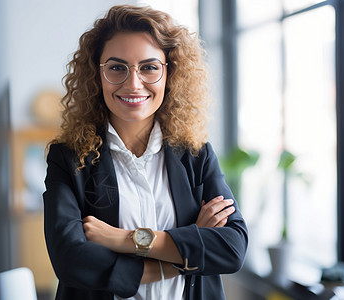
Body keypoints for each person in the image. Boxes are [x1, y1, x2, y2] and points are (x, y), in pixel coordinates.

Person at [43, 4, 248, 300]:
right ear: (96, 75)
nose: (133, 83)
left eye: (149, 67)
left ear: (170, 74)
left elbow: (232, 248)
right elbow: (72, 261)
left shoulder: (196, 154)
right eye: (116, 67)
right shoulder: (68, 158)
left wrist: (125, 240)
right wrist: (183, 260)